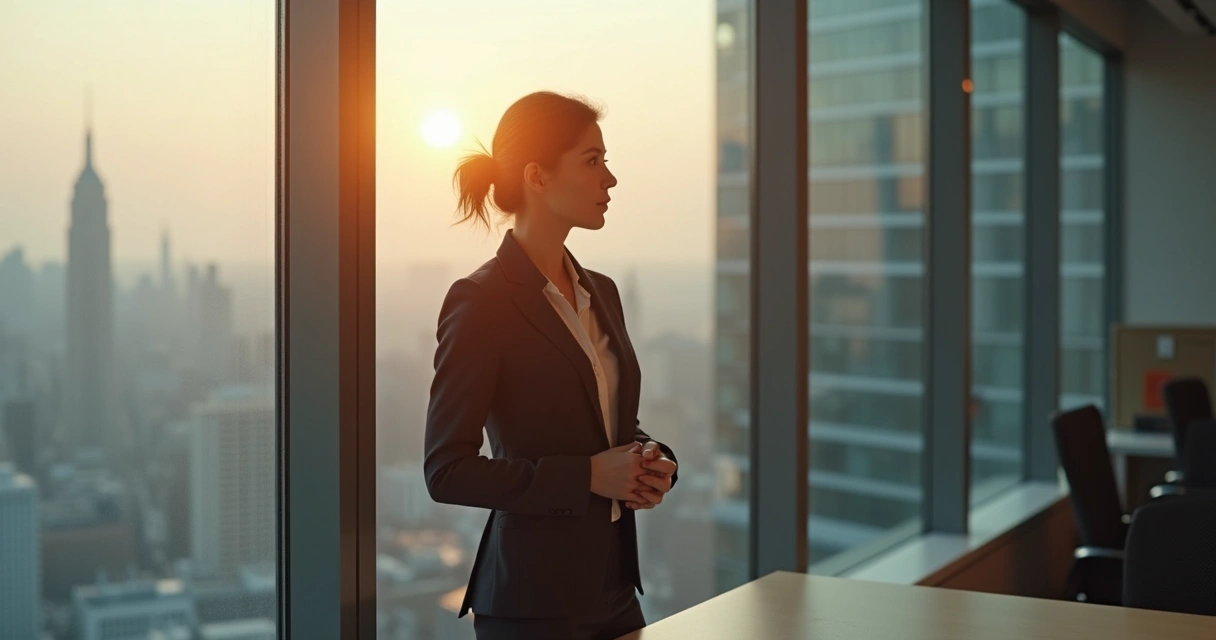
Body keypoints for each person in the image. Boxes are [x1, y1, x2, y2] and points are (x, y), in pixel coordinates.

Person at [423, 91, 679, 640]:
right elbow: (446, 471)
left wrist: (653, 463)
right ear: (537, 176)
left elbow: (608, 425)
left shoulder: (602, 291)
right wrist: (589, 475)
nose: (610, 179)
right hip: (530, 606)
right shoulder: (480, 300)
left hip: (615, 590)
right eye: (593, 161)